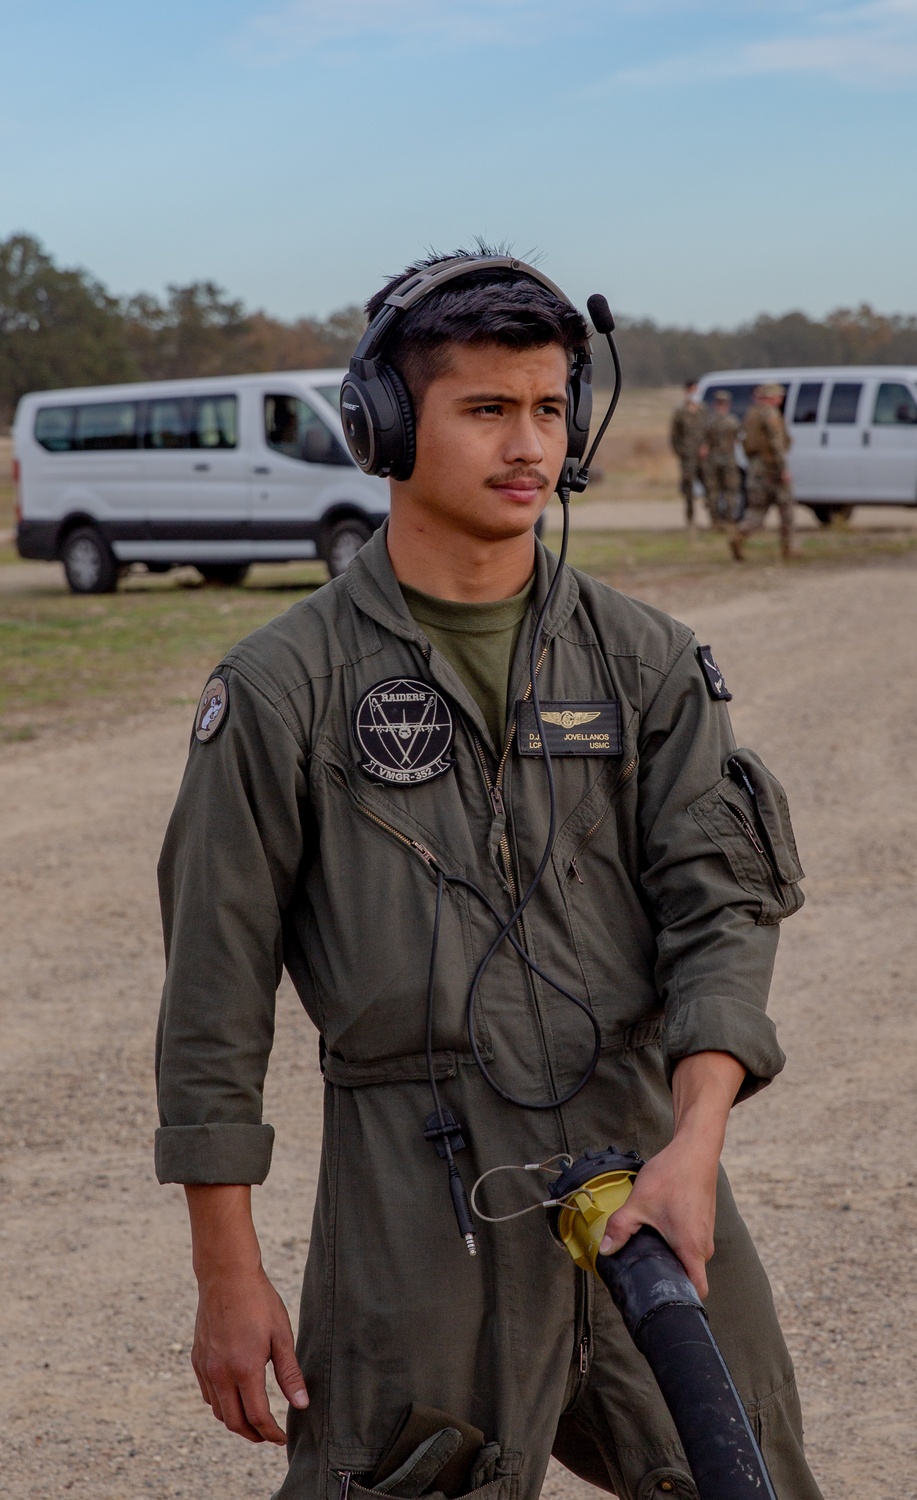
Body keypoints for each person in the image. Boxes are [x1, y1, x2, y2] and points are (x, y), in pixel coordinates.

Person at [154, 252, 825, 1500]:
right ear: (386, 426)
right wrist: (225, 1274)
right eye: (485, 409)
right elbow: (214, 1000)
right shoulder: (278, 693)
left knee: (749, 1476)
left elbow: (718, 910)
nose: (529, 445)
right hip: (418, 1197)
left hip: (646, 1163)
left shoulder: (648, 663)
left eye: (550, 408)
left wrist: (695, 1140)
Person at [731, 384, 796, 561]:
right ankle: (788, 549)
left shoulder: (752, 414)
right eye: (778, 396)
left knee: (756, 511)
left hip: (755, 469)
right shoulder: (770, 414)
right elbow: (775, 444)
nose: (780, 399)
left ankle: (740, 534)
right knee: (786, 508)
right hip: (772, 468)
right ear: (771, 396)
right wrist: (783, 469)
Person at [699, 389, 742, 529]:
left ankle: (715, 521)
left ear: (715, 404)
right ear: (727, 404)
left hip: (712, 460)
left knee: (713, 492)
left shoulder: (709, 422)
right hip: (728, 459)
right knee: (730, 490)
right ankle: (729, 520)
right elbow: (738, 439)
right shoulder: (733, 421)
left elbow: (703, 444)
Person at [668, 379, 706, 536]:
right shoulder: (680, 411)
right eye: (692, 390)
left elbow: (710, 430)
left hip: (703, 457)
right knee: (689, 489)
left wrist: (707, 447)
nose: (694, 393)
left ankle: (716, 519)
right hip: (688, 457)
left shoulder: (703, 410)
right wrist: (681, 452)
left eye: (696, 390)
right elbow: (674, 436)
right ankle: (691, 520)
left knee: (711, 486)